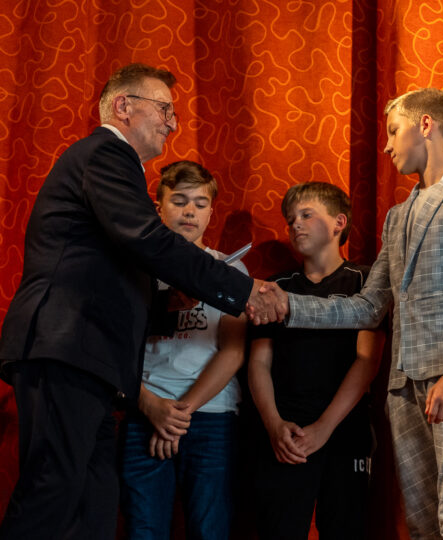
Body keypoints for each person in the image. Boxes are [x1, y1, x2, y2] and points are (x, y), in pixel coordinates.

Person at [0, 63, 284, 540]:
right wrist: (245, 290)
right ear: (123, 106)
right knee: (53, 494)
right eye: (165, 109)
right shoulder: (107, 154)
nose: (173, 124)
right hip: (67, 349)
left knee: (94, 505)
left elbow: (109, 266)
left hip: (94, 362)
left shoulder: (113, 163)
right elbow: (148, 240)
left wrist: (164, 304)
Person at [252, 88, 443, 539]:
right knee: (422, 524)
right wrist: (289, 304)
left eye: (393, 131)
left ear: (425, 125)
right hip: (403, 388)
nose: (387, 146)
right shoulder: (397, 216)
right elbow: (368, 307)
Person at [248, 182, 386, 539]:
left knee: (345, 529)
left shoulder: (365, 282)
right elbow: (259, 364)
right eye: (290, 219)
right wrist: (274, 425)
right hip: (286, 432)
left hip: (345, 429)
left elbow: (367, 360)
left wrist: (324, 427)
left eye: (306, 214)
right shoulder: (275, 286)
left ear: (339, 222)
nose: (295, 224)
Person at [121, 160, 248, 540]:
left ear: (211, 212)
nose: (190, 211)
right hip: (144, 411)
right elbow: (114, 350)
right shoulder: (131, 269)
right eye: (179, 201)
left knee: (210, 530)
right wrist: (151, 406)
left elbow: (233, 351)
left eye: (200, 203)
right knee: (144, 530)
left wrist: (179, 414)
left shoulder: (231, 270)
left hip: (210, 415)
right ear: (158, 206)